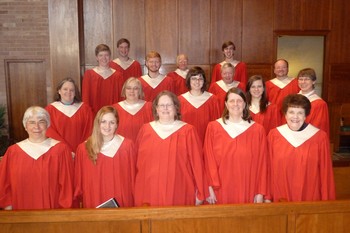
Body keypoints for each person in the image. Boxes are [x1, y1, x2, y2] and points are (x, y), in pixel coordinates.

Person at [134, 91, 206, 206]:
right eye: (162, 105)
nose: (165, 108)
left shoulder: (188, 131)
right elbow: (137, 164)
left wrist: (201, 193)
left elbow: (197, 164)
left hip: (179, 191)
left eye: (169, 105)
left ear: (176, 108)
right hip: (149, 192)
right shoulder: (145, 130)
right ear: (156, 109)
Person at [0, 106, 73, 210]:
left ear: (48, 125)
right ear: (25, 126)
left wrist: (63, 212)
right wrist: (8, 207)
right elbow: (4, 183)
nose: (37, 127)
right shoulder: (13, 152)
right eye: (32, 122)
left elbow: (67, 185)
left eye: (41, 122)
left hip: (53, 212)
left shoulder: (60, 150)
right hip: (20, 211)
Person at [204, 87, 269, 204]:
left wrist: (260, 192)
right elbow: (208, 160)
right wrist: (209, 188)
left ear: (245, 104)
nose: (235, 104)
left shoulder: (257, 130)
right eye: (231, 101)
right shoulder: (213, 127)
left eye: (239, 101)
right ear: (226, 104)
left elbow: (262, 163)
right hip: (220, 187)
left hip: (248, 185)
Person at [267, 94, 335, 202]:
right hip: (280, 196)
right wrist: (267, 196)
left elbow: (325, 172)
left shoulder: (319, 137)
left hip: (309, 197)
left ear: (305, 115)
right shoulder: (274, 135)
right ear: (285, 114)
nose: (295, 117)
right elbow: (268, 169)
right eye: (291, 112)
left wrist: (326, 202)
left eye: (300, 113)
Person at [74, 106, 136, 208]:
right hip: (94, 200)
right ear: (97, 123)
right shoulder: (84, 149)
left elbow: (133, 179)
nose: (107, 126)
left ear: (117, 125)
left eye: (112, 122)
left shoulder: (127, 146)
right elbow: (79, 184)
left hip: (122, 200)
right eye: (103, 121)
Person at [46, 78, 93, 153]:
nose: (68, 92)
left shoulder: (85, 109)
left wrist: (81, 149)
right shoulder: (50, 110)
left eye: (72, 90)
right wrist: (66, 150)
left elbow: (89, 130)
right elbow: (50, 132)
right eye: (65, 89)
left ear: (75, 93)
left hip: (81, 151)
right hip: (59, 151)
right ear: (59, 91)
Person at [178, 66, 221, 143]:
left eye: (200, 79)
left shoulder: (213, 100)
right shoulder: (180, 100)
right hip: (186, 142)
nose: (197, 81)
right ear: (189, 80)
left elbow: (217, 125)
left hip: (207, 142)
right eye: (194, 78)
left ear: (204, 81)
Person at [82, 44, 123, 115]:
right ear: (96, 57)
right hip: (94, 114)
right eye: (100, 55)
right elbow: (86, 98)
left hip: (113, 114)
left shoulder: (118, 76)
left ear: (110, 57)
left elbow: (121, 98)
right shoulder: (89, 74)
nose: (104, 58)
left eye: (106, 55)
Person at [112, 77, 153, 142]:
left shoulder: (149, 107)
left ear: (140, 91)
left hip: (144, 147)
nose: (132, 91)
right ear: (124, 90)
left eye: (135, 88)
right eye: (129, 88)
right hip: (123, 149)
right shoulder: (114, 109)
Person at [297, 68, 330, 136]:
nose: (303, 82)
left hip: (309, 139)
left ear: (314, 81)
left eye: (307, 79)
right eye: (300, 79)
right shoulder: (292, 100)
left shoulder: (319, 104)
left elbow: (318, 127)